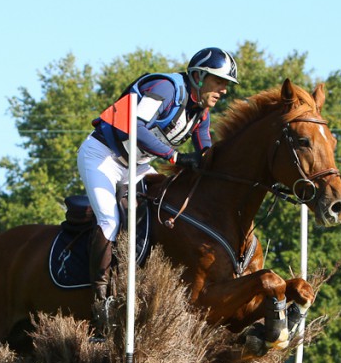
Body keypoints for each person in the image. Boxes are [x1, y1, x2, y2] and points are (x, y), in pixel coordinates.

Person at [77, 48, 239, 332]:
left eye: (226, 84)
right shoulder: (165, 88)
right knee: (111, 220)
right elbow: (134, 127)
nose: (224, 90)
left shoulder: (201, 111)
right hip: (103, 156)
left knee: (162, 211)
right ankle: (100, 299)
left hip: (138, 164)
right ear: (199, 77)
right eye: (219, 81)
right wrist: (174, 157)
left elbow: (205, 147)